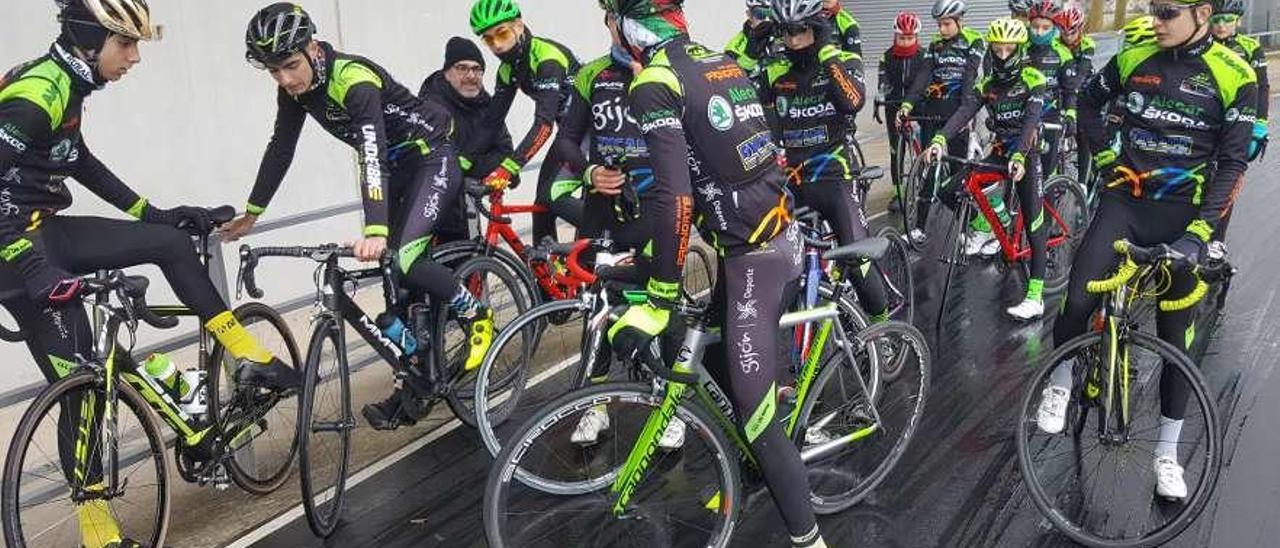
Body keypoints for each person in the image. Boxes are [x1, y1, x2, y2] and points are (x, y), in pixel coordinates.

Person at [0, 1, 297, 545]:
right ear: (90, 41)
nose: (134, 57)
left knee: (168, 242)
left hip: (47, 228)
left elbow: (79, 162)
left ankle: (248, 358)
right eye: (125, 44)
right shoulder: (34, 97)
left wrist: (156, 214)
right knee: (80, 388)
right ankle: (97, 532)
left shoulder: (69, 84)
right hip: (17, 253)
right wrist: (34, 269)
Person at [601, 0, 824, 546]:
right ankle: (752, 473)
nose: (608, 31)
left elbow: (675, 199)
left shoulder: (654, 82)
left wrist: (659, 296)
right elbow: (718, 154)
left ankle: (810, 537)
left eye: (609, 20)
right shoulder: (716, 59)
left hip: (757, 255)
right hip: (758, 236)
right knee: (721, 360)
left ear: (628, 26)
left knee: (758, 421)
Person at [224, 3, 494, 430]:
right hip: (400, 170)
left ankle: (476, 312)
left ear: (312, 47)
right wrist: (253, 212)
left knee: (403, 257)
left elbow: (372, 156)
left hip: (431, 158)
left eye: (291, 66)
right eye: (274, 72)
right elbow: (281, 147)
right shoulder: (297, 89)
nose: (286, 80)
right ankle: (417, 381)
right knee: (394, 280)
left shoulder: (353, 80)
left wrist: (375, 229)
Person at [1042, 0, 1257, 501]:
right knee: (1077, 301)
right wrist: (1108, 155)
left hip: (1183, 214)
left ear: (1202, 13)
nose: (1155, 22)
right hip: (1125, 203)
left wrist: (1202, 234)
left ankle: (1165, 452)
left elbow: (1231, 164)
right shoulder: (1133, 58)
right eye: (1152, 10)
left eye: (1166, 12)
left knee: (1175, 342)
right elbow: (1088, 105)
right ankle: (1060, 378)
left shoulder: (1234, 74)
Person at [762, 0, 890, 322]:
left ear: (817, 29)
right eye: (786, 32)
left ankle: (884, 328)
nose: (793, 41)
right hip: (792, 182)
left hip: (834, 176)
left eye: (801, 31)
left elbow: (852, 102)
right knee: (786, 267)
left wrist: (828, 55)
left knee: (859, 262)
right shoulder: (775, 70)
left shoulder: (842, 59)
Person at [924, 17, 1051, 320]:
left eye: (1010, 48)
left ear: (1020, 49)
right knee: (950, 190)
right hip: (998, 149)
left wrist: (1020, 156)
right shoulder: (987, 84)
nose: (1003, 54)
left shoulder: (1034, 78)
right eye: (998, 48)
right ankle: (998, 221)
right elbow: (965, 111)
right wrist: (941, 138)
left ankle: (1035, 295)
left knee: (1034, 224)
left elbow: (1030, 122)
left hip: (1026, 152)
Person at [469, 0, 581, 243]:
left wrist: (509, 167)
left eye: (502, 33)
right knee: (542, 205)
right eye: (488, 39)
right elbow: (491, 122)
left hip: (595, 133)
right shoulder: (509, 70)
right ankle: (548, 279)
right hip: (570, 135)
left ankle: (615, 236)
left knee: (554, 197)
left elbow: (543, 124)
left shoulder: (546, 59)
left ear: (518, 26)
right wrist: (463, 160)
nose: (497, 45)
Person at [897, 0, 985, 246]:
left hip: (958, 113)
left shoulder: (974, 41)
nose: (942, 29)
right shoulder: (935, 45)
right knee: (927, 172)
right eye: (939, 24)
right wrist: (907, 105)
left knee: (958, 176)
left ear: (959, 21)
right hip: (933, 113)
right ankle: (920, 228)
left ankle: (968, 226)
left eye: (947, 24)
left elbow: (969, 78)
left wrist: (966, 116)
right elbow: (923, 78)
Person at [419, 36, 516, 243]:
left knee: (472, 263)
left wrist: (469, 167)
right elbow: (443, 164)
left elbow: (505, 151)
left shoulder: (485, 103)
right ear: (447, 73)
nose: (471, 76)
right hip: (433, 209)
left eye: (477, 69)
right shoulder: (431, 107)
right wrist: (484, 166)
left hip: (469, 203)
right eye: (462, 68)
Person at [1208, 0, 1269, 252]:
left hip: (1238, 121)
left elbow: (1262, 88)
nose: (1221, 26)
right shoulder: (1202, 46)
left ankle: (1217, 240)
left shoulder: (1250, 47)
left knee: (1227, 178)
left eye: (1227, 20)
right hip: (1207, 119)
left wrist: (1260, 124)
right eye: (1216, 20)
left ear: (1238, 21)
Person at [1024, 0, 1079, 180]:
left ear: (1054, 28)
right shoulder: (1020, 49)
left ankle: (1048, 205)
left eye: (1045, 27)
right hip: (1022, 115)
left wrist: (1070, 115)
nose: (1039, 32)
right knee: (1019, 169)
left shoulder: (1063, 54)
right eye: (1035, 26)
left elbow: (1070, 90)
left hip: (1050, 117)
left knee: (1048, 171)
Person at [877, 12, 926, 210]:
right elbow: (883, 82)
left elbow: (928, 82)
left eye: (910, 38)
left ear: (916, 37)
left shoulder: (924, 56)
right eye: (902, 38)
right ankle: (898, 192)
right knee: (896, 152)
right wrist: (881, 95)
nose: (906, 42)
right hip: (894, 106)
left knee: (924, 148)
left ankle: (925, 187)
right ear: (895, 36)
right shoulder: (886, 56)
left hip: (919, 106)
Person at [1055, 3, 1096, 183]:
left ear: (1080, 29)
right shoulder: (1056, 44)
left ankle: (1083, 183)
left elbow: (1082, 73)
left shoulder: (1088, 43)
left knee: (1083, 134)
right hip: (1064, 84)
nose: (1068, 37)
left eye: (1072, 32)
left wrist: (1072, 90)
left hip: (1084, 83)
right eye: (1064, 32)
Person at [725, 0, 777, 76]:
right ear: (749, 14)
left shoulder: (787, 35)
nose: (767, 19)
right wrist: (750, 56)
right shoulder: (734, 46)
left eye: (772, 14)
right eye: (760, 14)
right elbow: (732, 79)